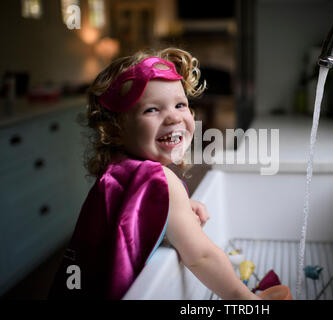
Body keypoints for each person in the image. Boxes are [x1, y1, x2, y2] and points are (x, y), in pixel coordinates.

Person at [48, 48, 260, 300]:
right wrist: (247, 299)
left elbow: (128, 212)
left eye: (180, 105)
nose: (173, 117)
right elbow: (201, 257)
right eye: (151, 110)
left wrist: (173, 206)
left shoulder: (115, 168)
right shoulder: (162, 181)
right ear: (116, 128)